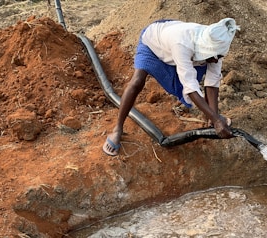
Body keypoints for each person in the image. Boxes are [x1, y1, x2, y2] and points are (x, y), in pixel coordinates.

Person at [103, 17, 240, 156]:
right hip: (154, 43)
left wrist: (214, 117)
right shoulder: (183, 43)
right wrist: (217, 120)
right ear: (206, 49)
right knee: (137, 81)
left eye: (219, 56)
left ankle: (210, 116)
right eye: (214, 57)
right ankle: (117, 129)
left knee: (194, 87)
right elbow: (190, 86)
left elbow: (212, 82)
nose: (216, 60)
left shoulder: (217, 48)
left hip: (179, 52)